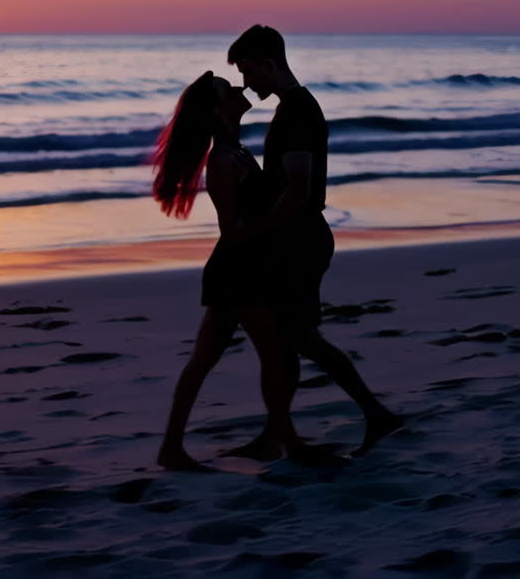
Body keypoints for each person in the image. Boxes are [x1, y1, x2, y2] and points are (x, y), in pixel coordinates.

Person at [222, 25, 403, 459]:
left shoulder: (298, 111)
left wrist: (255, 230)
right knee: (288, 340)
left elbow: (299, 190)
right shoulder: (292, 109)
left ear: (269, 63)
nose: (246, 82)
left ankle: (375, 414)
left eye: (249, 70)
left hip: (300, 240)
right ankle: (277, 432)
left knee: (300, 338)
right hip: (294, 237)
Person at [151, 71, 335, 471]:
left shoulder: (236, 151)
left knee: (205, 359)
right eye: (227, 90)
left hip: (240, 269)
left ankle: (173, 448)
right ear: (218, 110)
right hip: (239, 273)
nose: (238, 88)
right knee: (276, 355)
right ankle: (289, 444)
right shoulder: (223, 160)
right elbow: (232, 230)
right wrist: (274, 227)